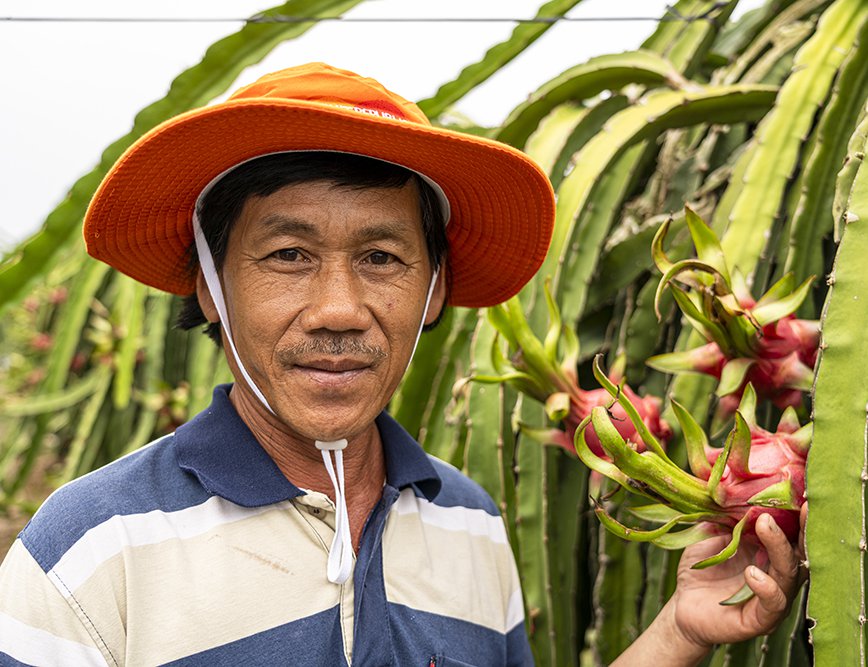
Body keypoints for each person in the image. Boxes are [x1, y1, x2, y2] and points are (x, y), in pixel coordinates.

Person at [0, 63, 803, 666]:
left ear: (435, 288)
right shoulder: (88, 548)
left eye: (382, 257)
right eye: (288, 254)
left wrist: (678, 631)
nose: (340, 309)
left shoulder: (470, 523)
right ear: (210, 287)